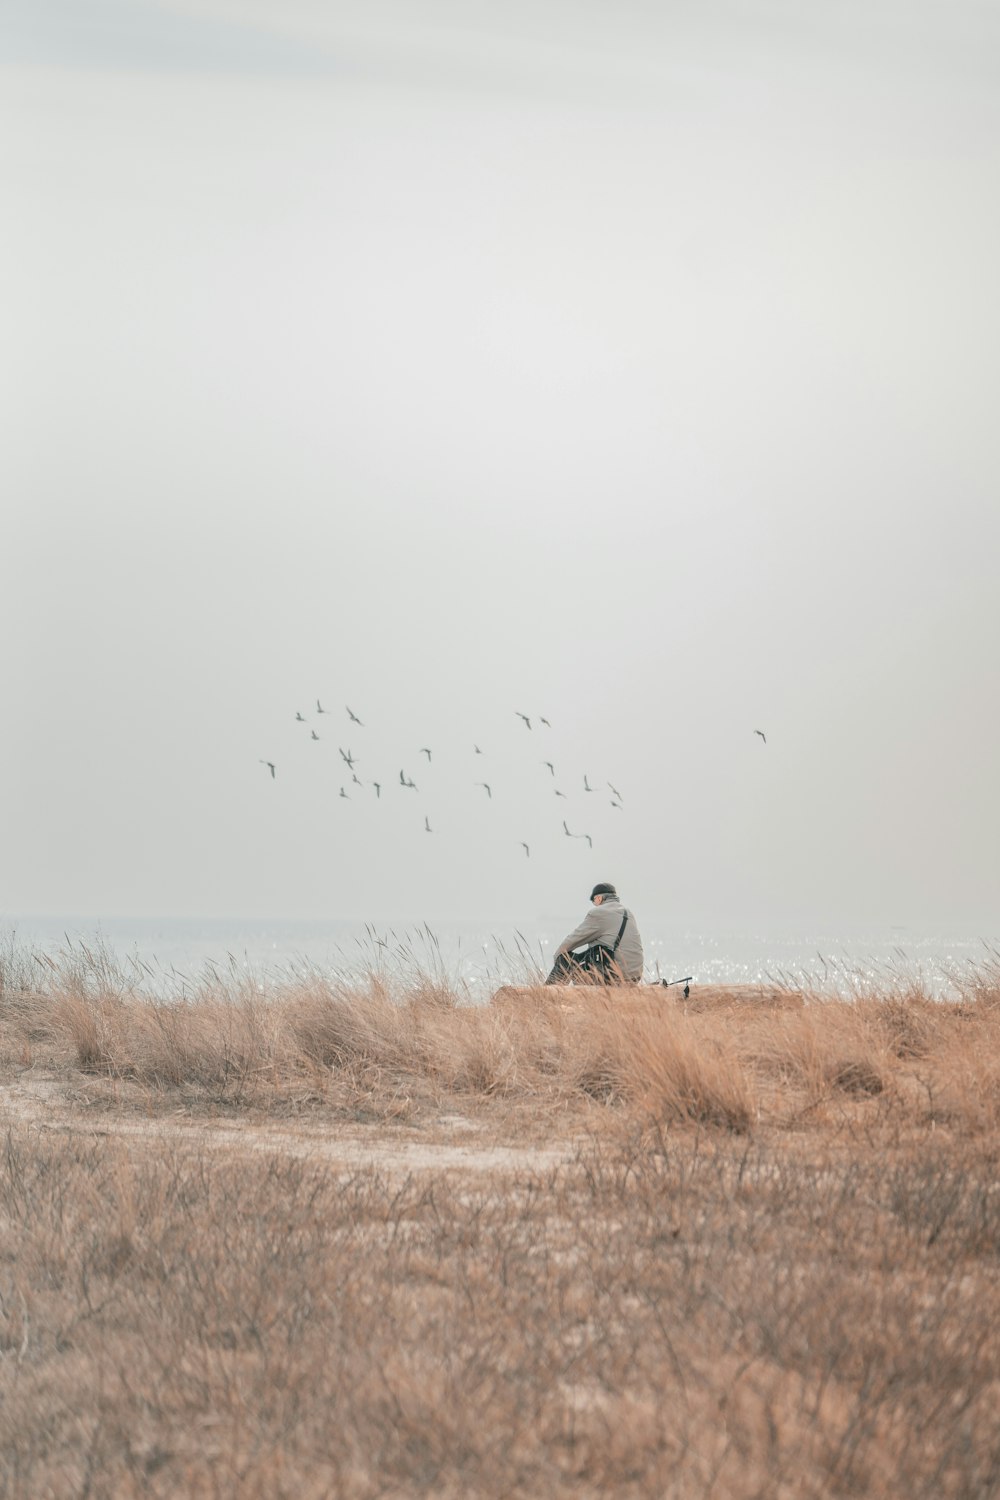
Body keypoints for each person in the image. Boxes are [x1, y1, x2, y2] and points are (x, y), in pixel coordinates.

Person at [544, 882, 644, 985]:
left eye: (593, 900)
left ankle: (548, 994)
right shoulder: (628, 913)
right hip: (634, 977)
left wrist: (557, 959)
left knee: (564, 959)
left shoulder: (598, 913)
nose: (594, 904)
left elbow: (572, 940)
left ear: (599, 898)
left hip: (612, 976)